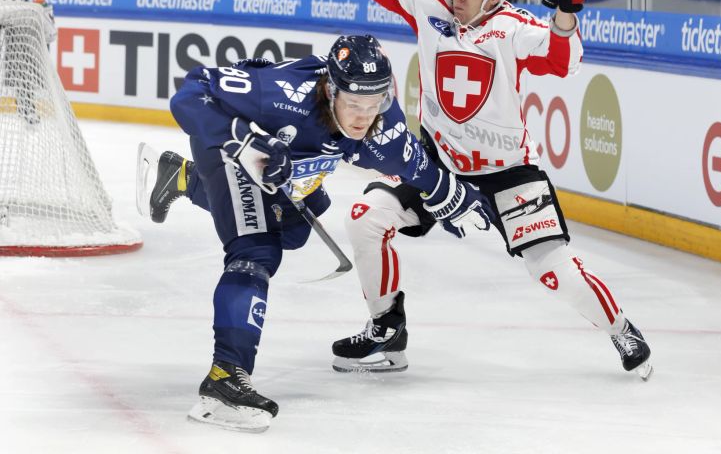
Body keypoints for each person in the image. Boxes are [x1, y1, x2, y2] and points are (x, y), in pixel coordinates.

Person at [332, 0, 652, 379]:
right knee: (364, 220)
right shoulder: (430, 2)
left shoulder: (514, 27)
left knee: (552, 271)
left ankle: (620, 327)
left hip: (508, 174)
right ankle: (387, 329)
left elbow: (565, 61)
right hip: (436, 165)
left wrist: (567, 6)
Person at [135, 34, 495, 432]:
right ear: (330, 89)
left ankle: (181, 178)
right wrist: (245, 140)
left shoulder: (381, 123)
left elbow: (418, 168)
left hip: (284, 162)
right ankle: (224, 380)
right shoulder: (280, 96)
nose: (363, 116)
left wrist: (455, 194)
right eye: (354, 104)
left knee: (292, 230)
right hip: (228, 148)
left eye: (373, 104)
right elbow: (190, 93)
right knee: (257, 251)